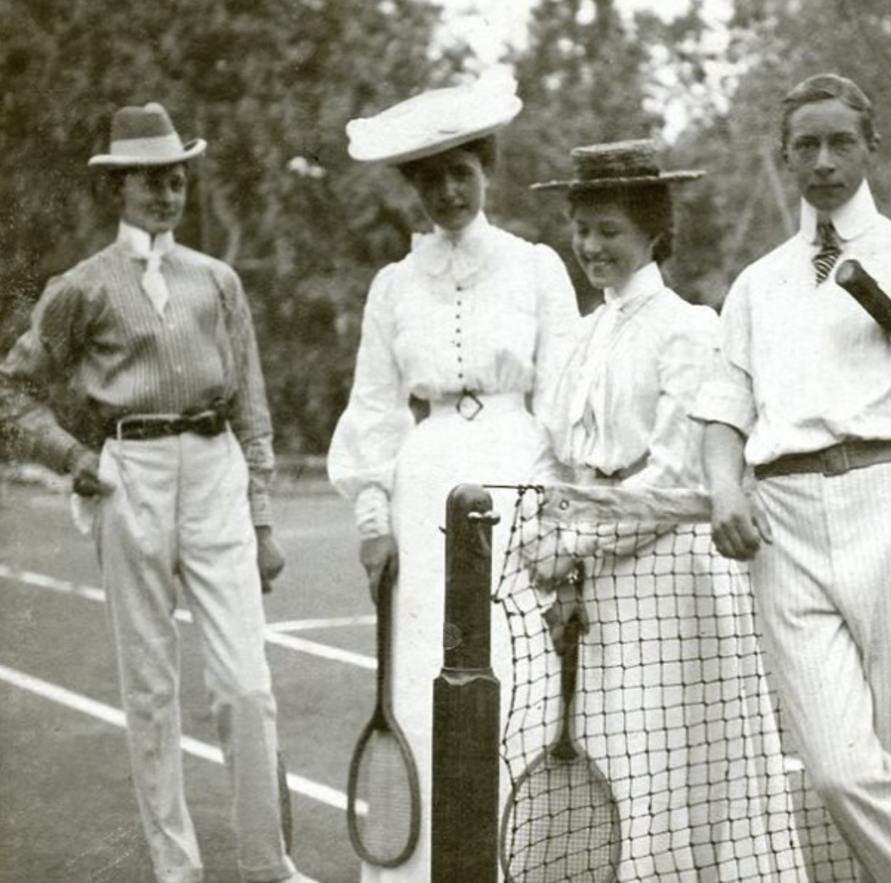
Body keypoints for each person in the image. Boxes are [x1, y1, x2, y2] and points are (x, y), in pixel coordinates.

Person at [0, 103, 314, 883]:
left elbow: (251, 404)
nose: (168, 191)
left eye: (177, 177)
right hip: (128, 474)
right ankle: (178, 871)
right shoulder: (83, 289)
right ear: (118, 190)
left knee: (246, 684)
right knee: (149, 690)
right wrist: (76, 458)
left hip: (214, 473)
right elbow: (14, 391)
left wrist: (263, 516)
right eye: (150, 178)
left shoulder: (218, 281)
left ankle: (266, 864)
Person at [693, 73, 891, 883]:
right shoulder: (755, 284)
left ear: (871, 147)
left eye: (840, 142)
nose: (823, 161)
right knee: (839, 771)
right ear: (784, 155)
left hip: (890, 512)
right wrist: (725, 488)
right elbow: (723, 414)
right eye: (806, 145)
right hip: (781, 530)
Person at [525, 140, 805, 883]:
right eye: (582, 228)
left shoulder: (690, 327)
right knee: (611, 754)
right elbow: (549, 451)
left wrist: (577, 540)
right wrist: (542, 533)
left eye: (609, 229)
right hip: (594, 577)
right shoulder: (579, 335)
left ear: (652, 232)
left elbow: (679, 470)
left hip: (669, 578)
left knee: (668, 762)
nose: (590, 245)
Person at [326, 71, 579, 883]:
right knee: (421, 680)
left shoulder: (538, 268)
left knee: (517, 689)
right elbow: (373, 407)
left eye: (460, 170)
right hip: (423, 485)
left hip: (514, 481)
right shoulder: (392, 285)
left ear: (487, 168)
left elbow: (565, 401)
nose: (447, 190)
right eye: (429, 177)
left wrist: (548, 512)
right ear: (414, 186)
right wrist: (373, 518)